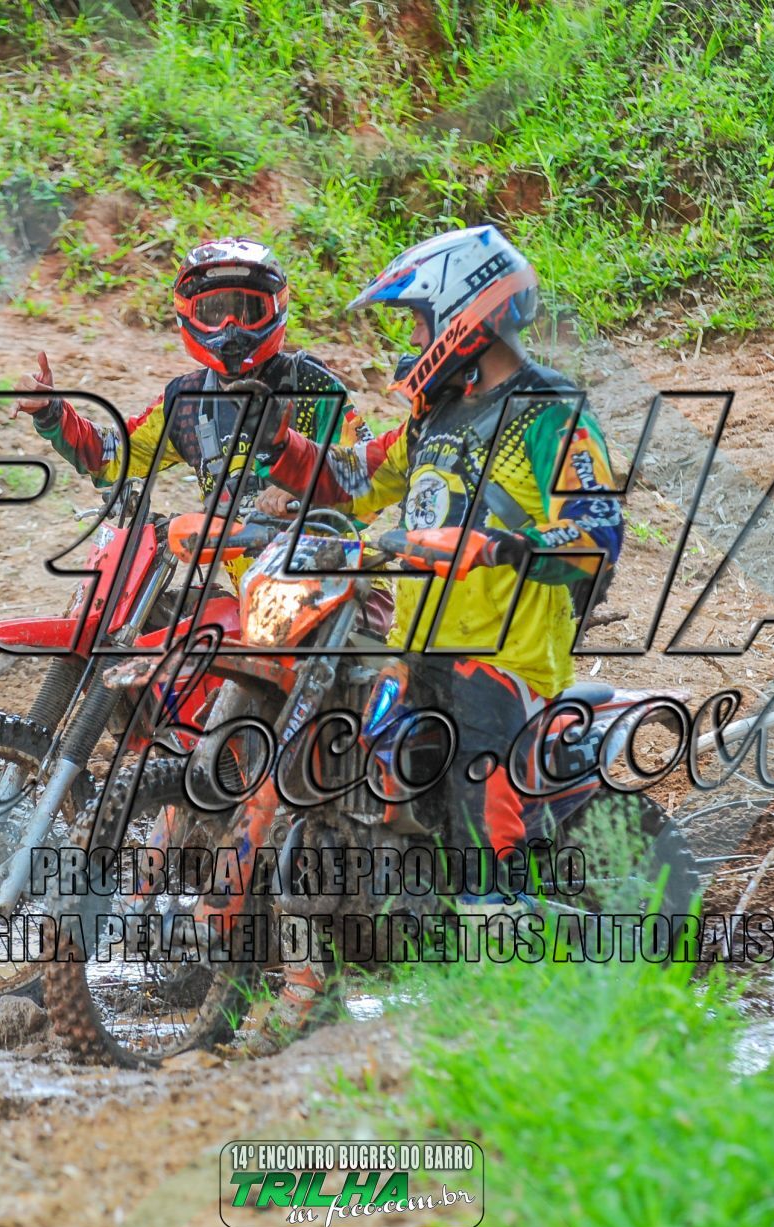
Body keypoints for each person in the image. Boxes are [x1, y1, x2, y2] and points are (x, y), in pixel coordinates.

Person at [252, 224, 624, 1035]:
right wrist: (280, 443)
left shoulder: (547, 410)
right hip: (418, 654)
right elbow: (354, 480)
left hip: (504, 657)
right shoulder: (436, 415)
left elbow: (599, 530)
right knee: (373, 797)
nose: (413, 341)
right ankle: (355, 975)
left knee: (482, 821)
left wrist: (498, 545)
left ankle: (514, 1019)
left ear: (464, 313)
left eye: (419, 322)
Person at [10, 239, 372, 581]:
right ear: (188, 315)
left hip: (334, 580)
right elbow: (112, 456)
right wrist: (51, 411)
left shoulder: (310, 385)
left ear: (275, 308)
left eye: (247, 311)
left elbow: (370, 475)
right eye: (215, 312)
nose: (231, 328)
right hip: (253, 594)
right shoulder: (187, 402)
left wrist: (309, 490)